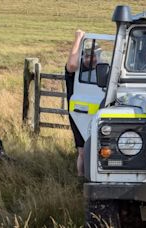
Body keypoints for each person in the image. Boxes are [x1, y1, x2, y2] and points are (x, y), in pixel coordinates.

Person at [65, 29, 99, 176]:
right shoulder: (76, 71)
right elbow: (71, 65)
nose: (92, 59)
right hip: (80, 113)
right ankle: (81, 178)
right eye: (88, 56)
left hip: (97, 112)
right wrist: (78, 38)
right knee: (83, 150)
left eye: (95, 55)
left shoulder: (99, 71)